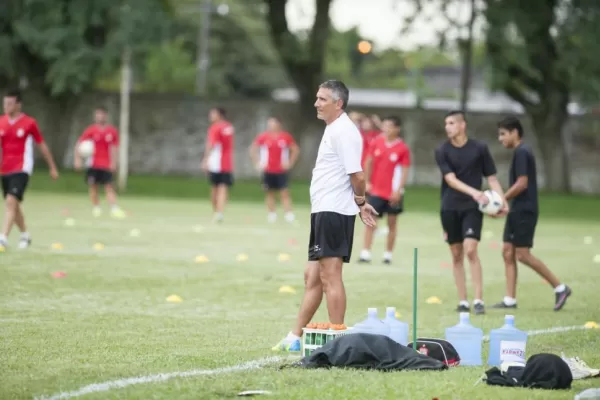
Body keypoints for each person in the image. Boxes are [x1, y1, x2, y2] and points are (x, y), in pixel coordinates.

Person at [273, 79, 378, 351]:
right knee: (312, 276)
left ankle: (338, 341)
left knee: (331, 276)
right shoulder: (334, 128)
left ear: (338, 103)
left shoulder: (344, 131)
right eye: (317, 98)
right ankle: (294, 338)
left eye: (322, 99)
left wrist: (360, 201)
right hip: (323, 210)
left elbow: (357, 174)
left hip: (333, 212)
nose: (316, 103)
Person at [494, 116, 571, 311]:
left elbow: (522, 183)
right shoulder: (521, 152)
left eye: (503, 134)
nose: (500, 138)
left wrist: (502, 200)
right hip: (516, 209)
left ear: (514, 132)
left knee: (522, 254)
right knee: (507, 251)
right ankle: (509, 300)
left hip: (524, 210)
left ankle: (560, 288)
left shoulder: (522, 152)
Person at [434, 110, 507, 315]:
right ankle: (463, 301)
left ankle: (478, 300)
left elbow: (491, 178)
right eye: (446, 123)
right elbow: (450, 179)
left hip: (472, 209)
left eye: (451, 123)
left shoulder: (480, 148)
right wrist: (476, 192)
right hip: (449, 208)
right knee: (456, 255)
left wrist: (502, 201)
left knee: (471, 249)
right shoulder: (442, 150)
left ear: (462, 125)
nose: (447, 127)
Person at [0, 89, 59, 250]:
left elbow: (42, 144)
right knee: (14, 205)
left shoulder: (29, 123)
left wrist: (52, 166)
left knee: (11, 201)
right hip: (5, 170)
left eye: (10, 103)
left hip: (22, 168)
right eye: (5, 103)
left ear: (18, 104)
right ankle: (25, 234)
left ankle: (3, 238)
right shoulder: (1, 122)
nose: (6, 106)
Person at [358, 116, 411, 264]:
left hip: (393, 192)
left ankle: (388, 255)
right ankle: (365, 253)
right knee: (370, 220)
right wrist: (367, 182)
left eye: (389, 126)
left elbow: (404, 171)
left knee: (392, 222)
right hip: (376, 191)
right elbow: (368, 161)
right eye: (384, 126)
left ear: (397, 129)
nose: (385, 129)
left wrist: (398, 190)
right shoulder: (376, 142)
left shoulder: (402, 148)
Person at [74, 107, 125, 218]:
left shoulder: (112, 131)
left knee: (109, 187)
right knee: (93, 187)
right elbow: (79, 144)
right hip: (93, 164)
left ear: (106, 116)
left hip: (106, 164)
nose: (99, 117)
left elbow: (115, 148)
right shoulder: (90, 130)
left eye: (101, 114)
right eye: (97, 115)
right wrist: (77, 159)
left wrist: (114, 162)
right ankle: (96, 208)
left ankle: (114, 209)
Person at [249, 116, 300, 223]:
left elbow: (295, 149)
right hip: (268, 170)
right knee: (269, 192)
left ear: (278, 124)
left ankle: (288, 214)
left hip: (281, 170)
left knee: (284, 192)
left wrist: (290, 163)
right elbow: (253, 148)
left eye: (272, 123)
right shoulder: (263, 137)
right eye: (269, 124)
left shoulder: (285, 137)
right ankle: (272, 214)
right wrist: (257, 162)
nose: (270, 126)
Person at [201, 107, 234, 223]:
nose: (210, 116)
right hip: (226, 162)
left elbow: (211, 144)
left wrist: (205, 160)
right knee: (221, 188)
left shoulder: (215, 128)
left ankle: (217, 212)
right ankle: (219, 212)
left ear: (219, 115)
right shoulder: (229, 127)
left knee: (217, 188)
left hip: (216, 162)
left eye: (213, 114)